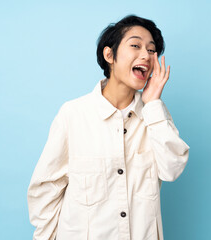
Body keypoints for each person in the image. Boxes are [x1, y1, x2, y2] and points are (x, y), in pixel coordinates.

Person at [27, 14, 190, 240]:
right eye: (136, 45)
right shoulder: (73, 114)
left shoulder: (155, 116)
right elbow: (46, 189)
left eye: (152, 50)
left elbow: (172, 169)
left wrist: (152, 104)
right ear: (109, 54)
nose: (146, 55)